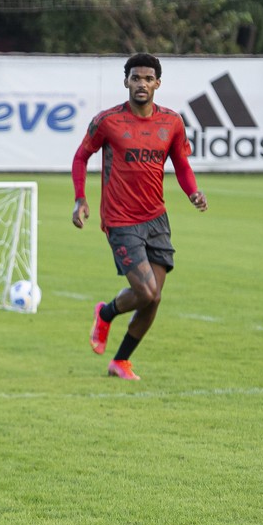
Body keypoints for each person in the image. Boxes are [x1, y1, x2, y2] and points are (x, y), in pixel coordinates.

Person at [72, 53, 207, 380]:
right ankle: (106, 313)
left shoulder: (171, 122)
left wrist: (193, 192)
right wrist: (80, 199)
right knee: (146, 291)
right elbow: (81, 157)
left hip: (156, 218)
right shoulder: (108, 121)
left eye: (148, 78)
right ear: (126, 82)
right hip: (120, 220)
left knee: (154, 299)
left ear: (157, 83)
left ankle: (120, 362)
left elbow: (181, 164)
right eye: (136, 78)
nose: (141, 84)